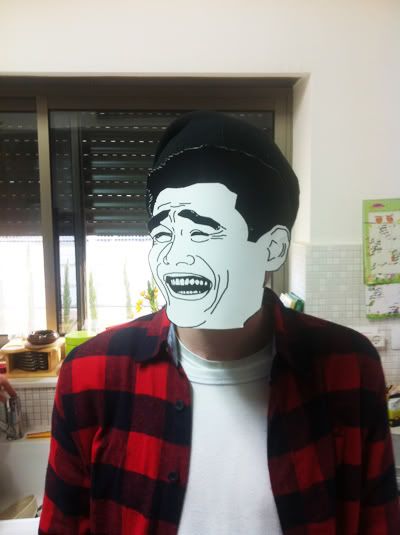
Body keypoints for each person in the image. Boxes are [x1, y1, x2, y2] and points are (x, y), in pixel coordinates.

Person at [39, 111, 400, 534]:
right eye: (163, 234)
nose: (176, 257)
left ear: (272, 248)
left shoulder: (348, 367)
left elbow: (378, 524)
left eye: (202, 233)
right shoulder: (93, 374)